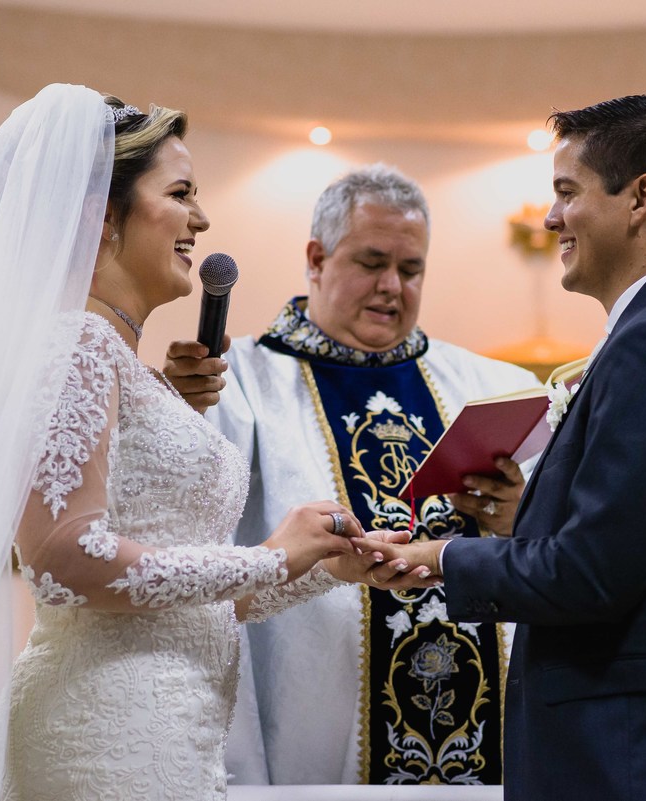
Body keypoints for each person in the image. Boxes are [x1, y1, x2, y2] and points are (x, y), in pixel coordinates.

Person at [0, 85, 427, 801]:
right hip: (108, 732)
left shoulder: (120, 362)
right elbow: (63, 559)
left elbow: (181, 598)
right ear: (100, 216)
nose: (202, 219)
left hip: (162, 732)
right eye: (181, 193)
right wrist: (272, 555)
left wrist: (323, 566)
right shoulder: (77, 344)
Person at [358, 94, 646, 801]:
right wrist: (525, 521)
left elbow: (593, 575)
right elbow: (645, 543)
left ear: (640, 198)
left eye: (567, 192)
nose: (551, 217)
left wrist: (438, 556)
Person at [164, 164, 542, 784]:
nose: (392, 286)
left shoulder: (491, 385)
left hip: (487, 734)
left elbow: (553, 549)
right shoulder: (236, 385)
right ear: (316, 259)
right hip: (313, 727)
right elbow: (193, 547)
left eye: (411, 269)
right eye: (371, 262)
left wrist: (518, 516)